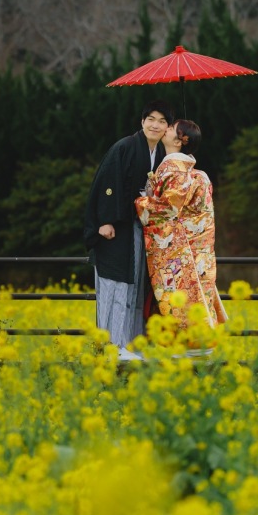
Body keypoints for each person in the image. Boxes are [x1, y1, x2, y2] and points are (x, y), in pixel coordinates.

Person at [84, 101, 174, 360]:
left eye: (161, 121)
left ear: (167, 127)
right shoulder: (124, 147)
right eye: (151, 119)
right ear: (142, 121)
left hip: (139, 227)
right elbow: (106, 184)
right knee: (116, 285)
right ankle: (112, 345)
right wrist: (105, 220)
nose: (155, 125)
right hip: (116, 228)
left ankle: (132, 343)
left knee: (137, 286)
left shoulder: (160, 154)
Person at [134, 118, 228, 337]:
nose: (164, 129)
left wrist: (141, 202)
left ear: (179, 140)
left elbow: (166, 209)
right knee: (196, 294)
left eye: (170, 127)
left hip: (181, 249)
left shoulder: (175, 171)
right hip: (197, 249)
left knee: (181, 297)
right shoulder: (191, 172)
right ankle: (200, 343)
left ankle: (189, 344)